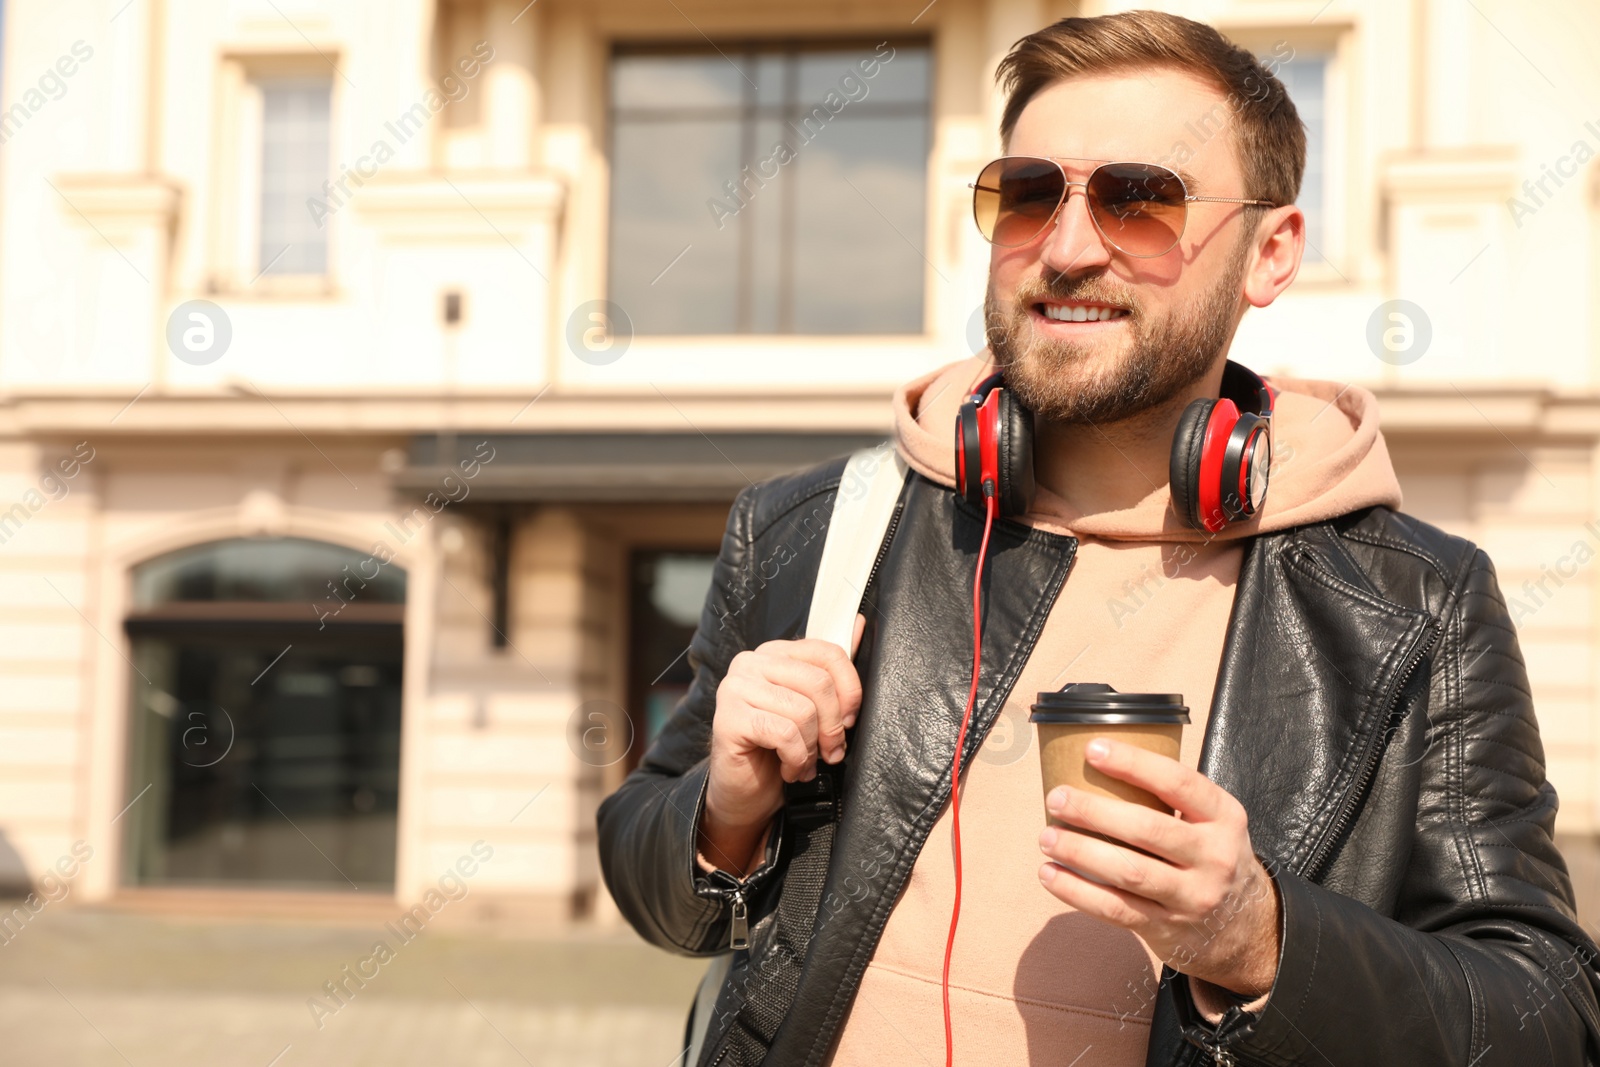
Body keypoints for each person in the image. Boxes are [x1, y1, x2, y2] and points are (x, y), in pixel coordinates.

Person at [598, 10, 1600, 1066]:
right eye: (1030, 194)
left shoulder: (1415, 604)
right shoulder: (813, 530)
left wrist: (1263, 939)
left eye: (1139, 199)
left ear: (1270, 252)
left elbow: (1545, 1017)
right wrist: (724, 810)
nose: (1068, 248)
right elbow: (663, 894)